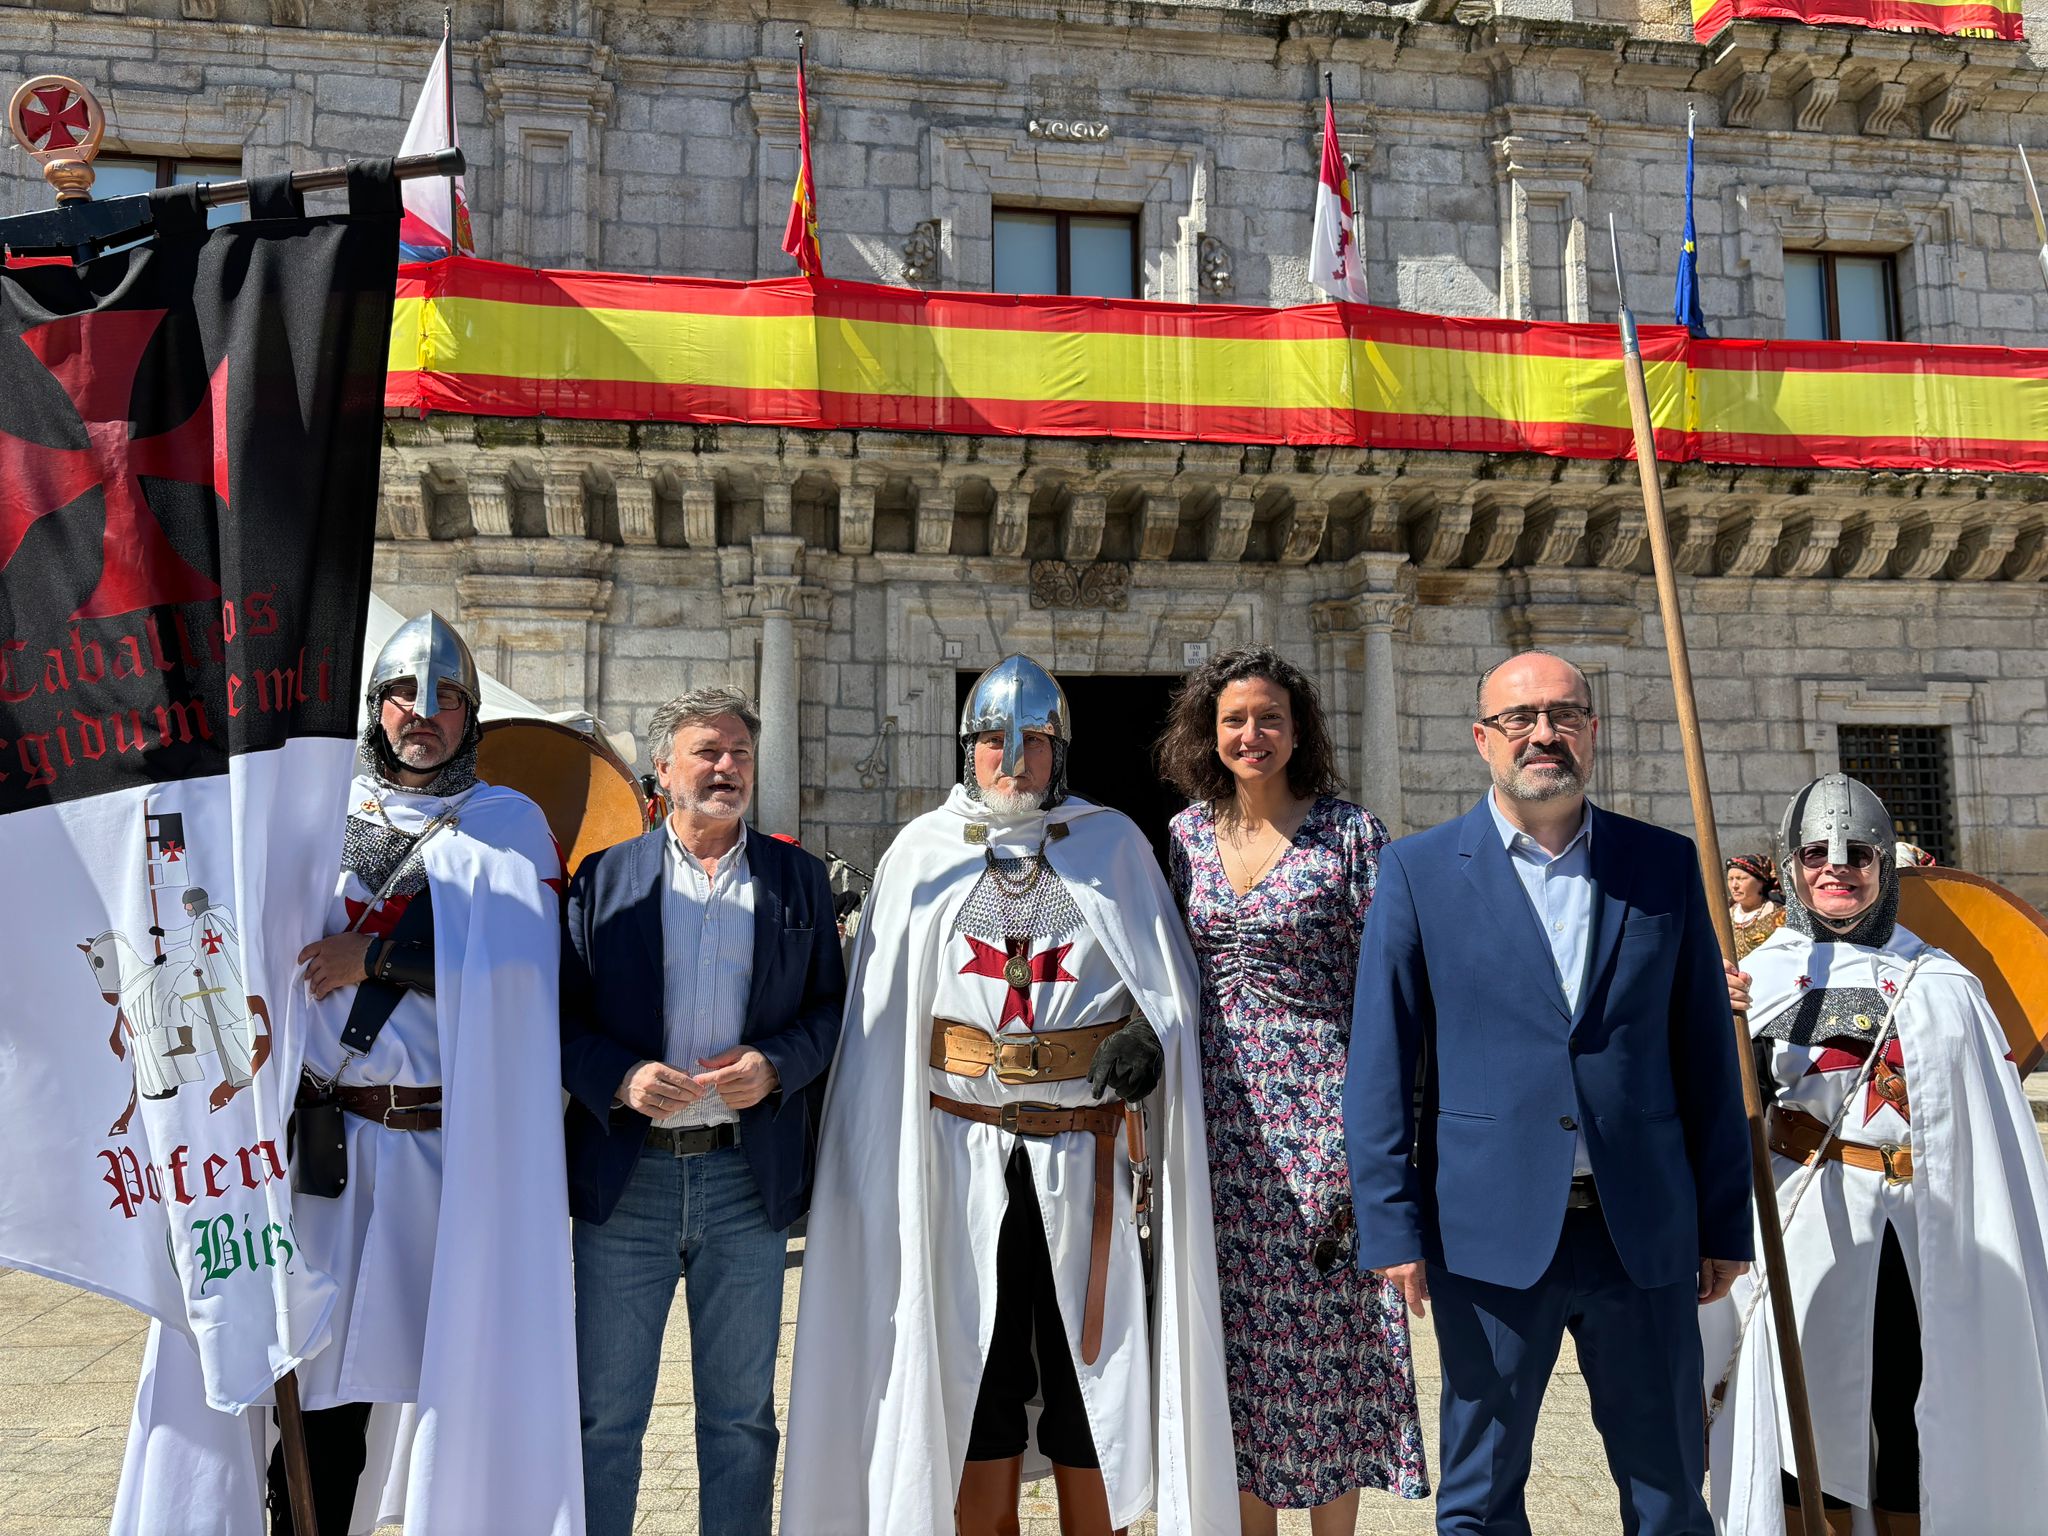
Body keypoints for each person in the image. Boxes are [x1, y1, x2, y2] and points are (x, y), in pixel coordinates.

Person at [782, 654, 1237, 1536]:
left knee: (1085, 1371)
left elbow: (1170, 991)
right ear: (967, 747)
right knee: (976, 1365)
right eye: (993, 739)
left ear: (1060, 751)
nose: (1013, 758)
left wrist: (1150, 1037)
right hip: (955, 1155)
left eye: (1033, 741)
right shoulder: (921, 854)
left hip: (1085, 1152)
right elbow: (880, 1024)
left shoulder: (1113, 846)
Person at [1345, 648, 1754, 1536]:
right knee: (1481, 1496)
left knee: (1672, 1490)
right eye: (1521, 719)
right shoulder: (1417, 873)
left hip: (1640, 1229)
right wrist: (1390, 1225)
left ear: (1593, 733)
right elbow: (1382, 1062)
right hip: (1485, 1236)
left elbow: (1704, 1059)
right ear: (1482, 739)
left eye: (1564, 715)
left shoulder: (1661, 866)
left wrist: (1726, 1221)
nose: (1544, 735)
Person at [286, 612, 579, 1531]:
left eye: (444, 697)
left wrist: (366, 960)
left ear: (471, 718)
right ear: (375, 709)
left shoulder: (508, 822)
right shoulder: (313, 807)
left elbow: (519, 961)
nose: (422, 712)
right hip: (315, 1150)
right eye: (403, 695)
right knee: (313, 1379)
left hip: (434, 1157)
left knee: (436, 1378)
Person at [1706, 775, 2048, 1536]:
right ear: (1792, 869)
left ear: (1884, 868)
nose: (1837, 867)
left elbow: (1987, 1118)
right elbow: (1722, 1112)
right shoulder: (1754, 980)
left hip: (1928, 1224)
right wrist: (1718, 1032)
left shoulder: (1944, 981)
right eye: (1815, 854)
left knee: (1914, 1399)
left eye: (1857, 852)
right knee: (1804, 1415)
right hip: (1806, 1214)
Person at [559, 686, 845, 1536]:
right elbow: (559, 1018)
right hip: (629, 1184)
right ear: (663, 769)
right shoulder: (603, 880)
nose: (727, 769)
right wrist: (618, 1078)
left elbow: (833, 1011)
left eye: (740, 755)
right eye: (708, 754)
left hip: (743, 1182)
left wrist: (778, 1065)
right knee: (604, 1420)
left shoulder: (798, 878)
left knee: (741, 1421)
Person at [1157, 647, 1427, 1534]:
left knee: (1321, 1343)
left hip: (1322, 1116)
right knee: (1236, 1345)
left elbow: (1392, 990)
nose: (1252, 735)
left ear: (1298, 728)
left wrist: (1380, 1139)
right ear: (1209, 734)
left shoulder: (1351, 833)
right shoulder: (1188, 833)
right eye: (1234, 720)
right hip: (1215, 1120)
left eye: (1270, 718)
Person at [1727, 853, 1786, 962]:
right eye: (1730, 879)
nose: (1734, 885)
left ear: (1761, 881)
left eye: (1741, 878)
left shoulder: (1780, 914)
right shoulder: (1723, 914)